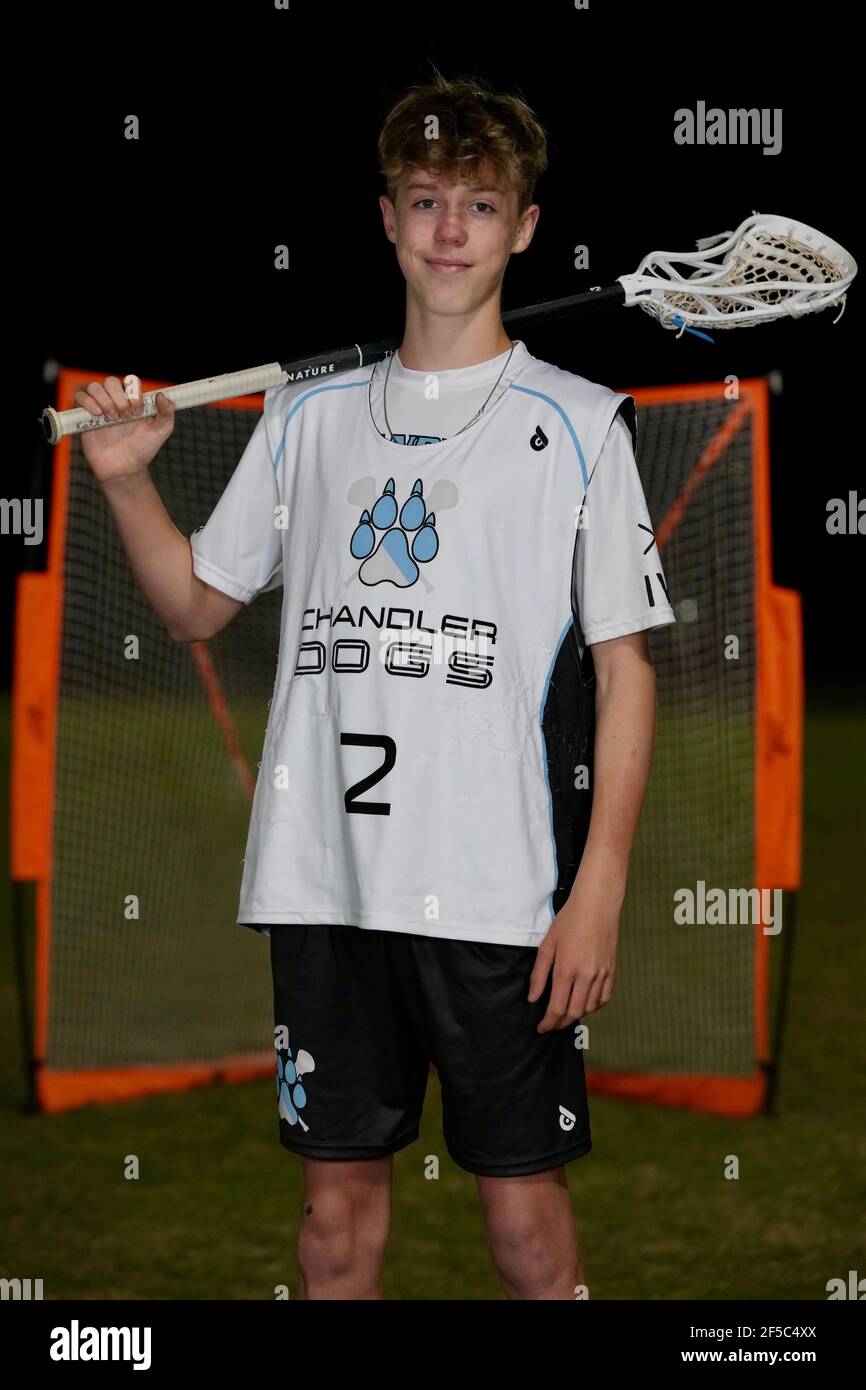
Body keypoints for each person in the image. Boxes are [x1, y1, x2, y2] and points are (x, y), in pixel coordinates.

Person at [77, 68, 675, 1300]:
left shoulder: (577, 424)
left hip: (503, 902)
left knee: (521, 1229)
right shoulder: (309, 413)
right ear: (387, 220)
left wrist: (599, 887)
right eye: (422, 199)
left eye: (477, 203)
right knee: (334, 1230)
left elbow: (626, 673)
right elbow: (195, 604)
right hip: (325, 885)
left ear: (523, 228)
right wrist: (130, 478)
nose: (448, 229)